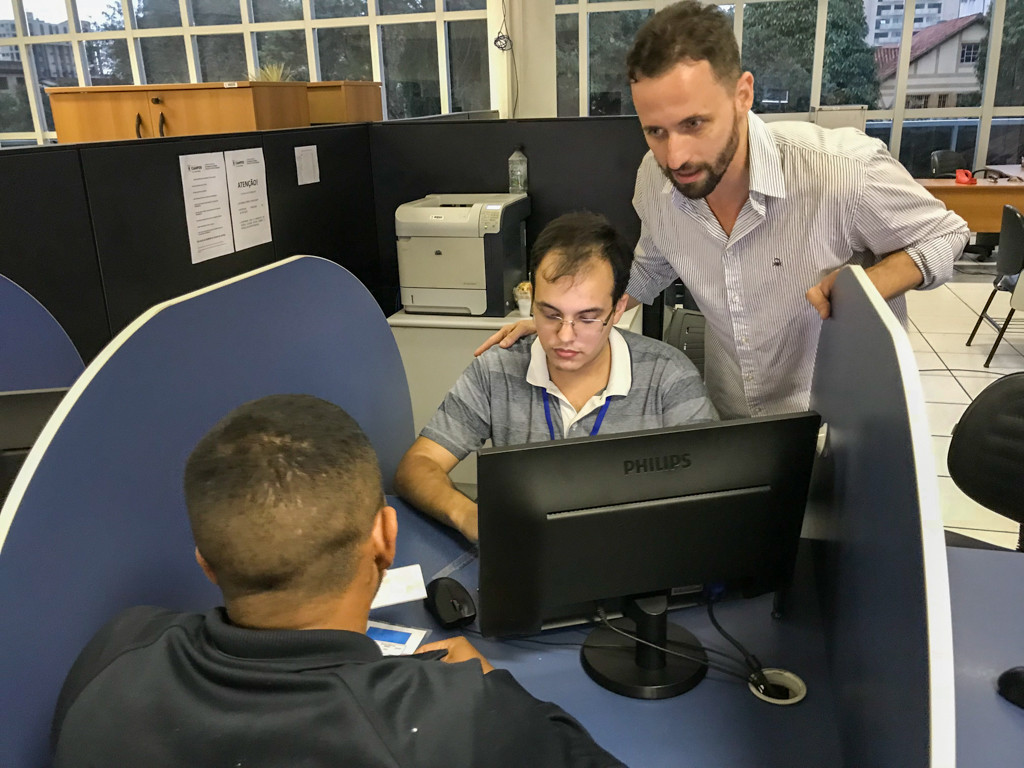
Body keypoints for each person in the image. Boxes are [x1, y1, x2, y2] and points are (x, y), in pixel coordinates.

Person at [50, 394, 626, 768]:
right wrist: (491, 686)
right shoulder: (456, 722)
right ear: (386, 537)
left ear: (205, 562)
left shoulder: (113, 654)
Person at [476, 1, 969, 419]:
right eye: (656, 131)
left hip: (843, 424)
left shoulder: (841, 170)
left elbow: (947, 235)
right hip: (733, 419)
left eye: (694, 123)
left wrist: (867, 287)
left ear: (743, 95)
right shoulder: (654, 178)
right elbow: (649, 267)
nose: (676, 157)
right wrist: (562, 322)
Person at [395, 212, 717, 542]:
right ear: (532, 299)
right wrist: (464, 513)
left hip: (636, 559)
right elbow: (417, 465)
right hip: (528, 560)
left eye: (587, 318)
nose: (564, 336)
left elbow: (716, 489)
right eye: (550, 315)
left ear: (618, 309)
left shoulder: (668, 376)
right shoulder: (497, 371)